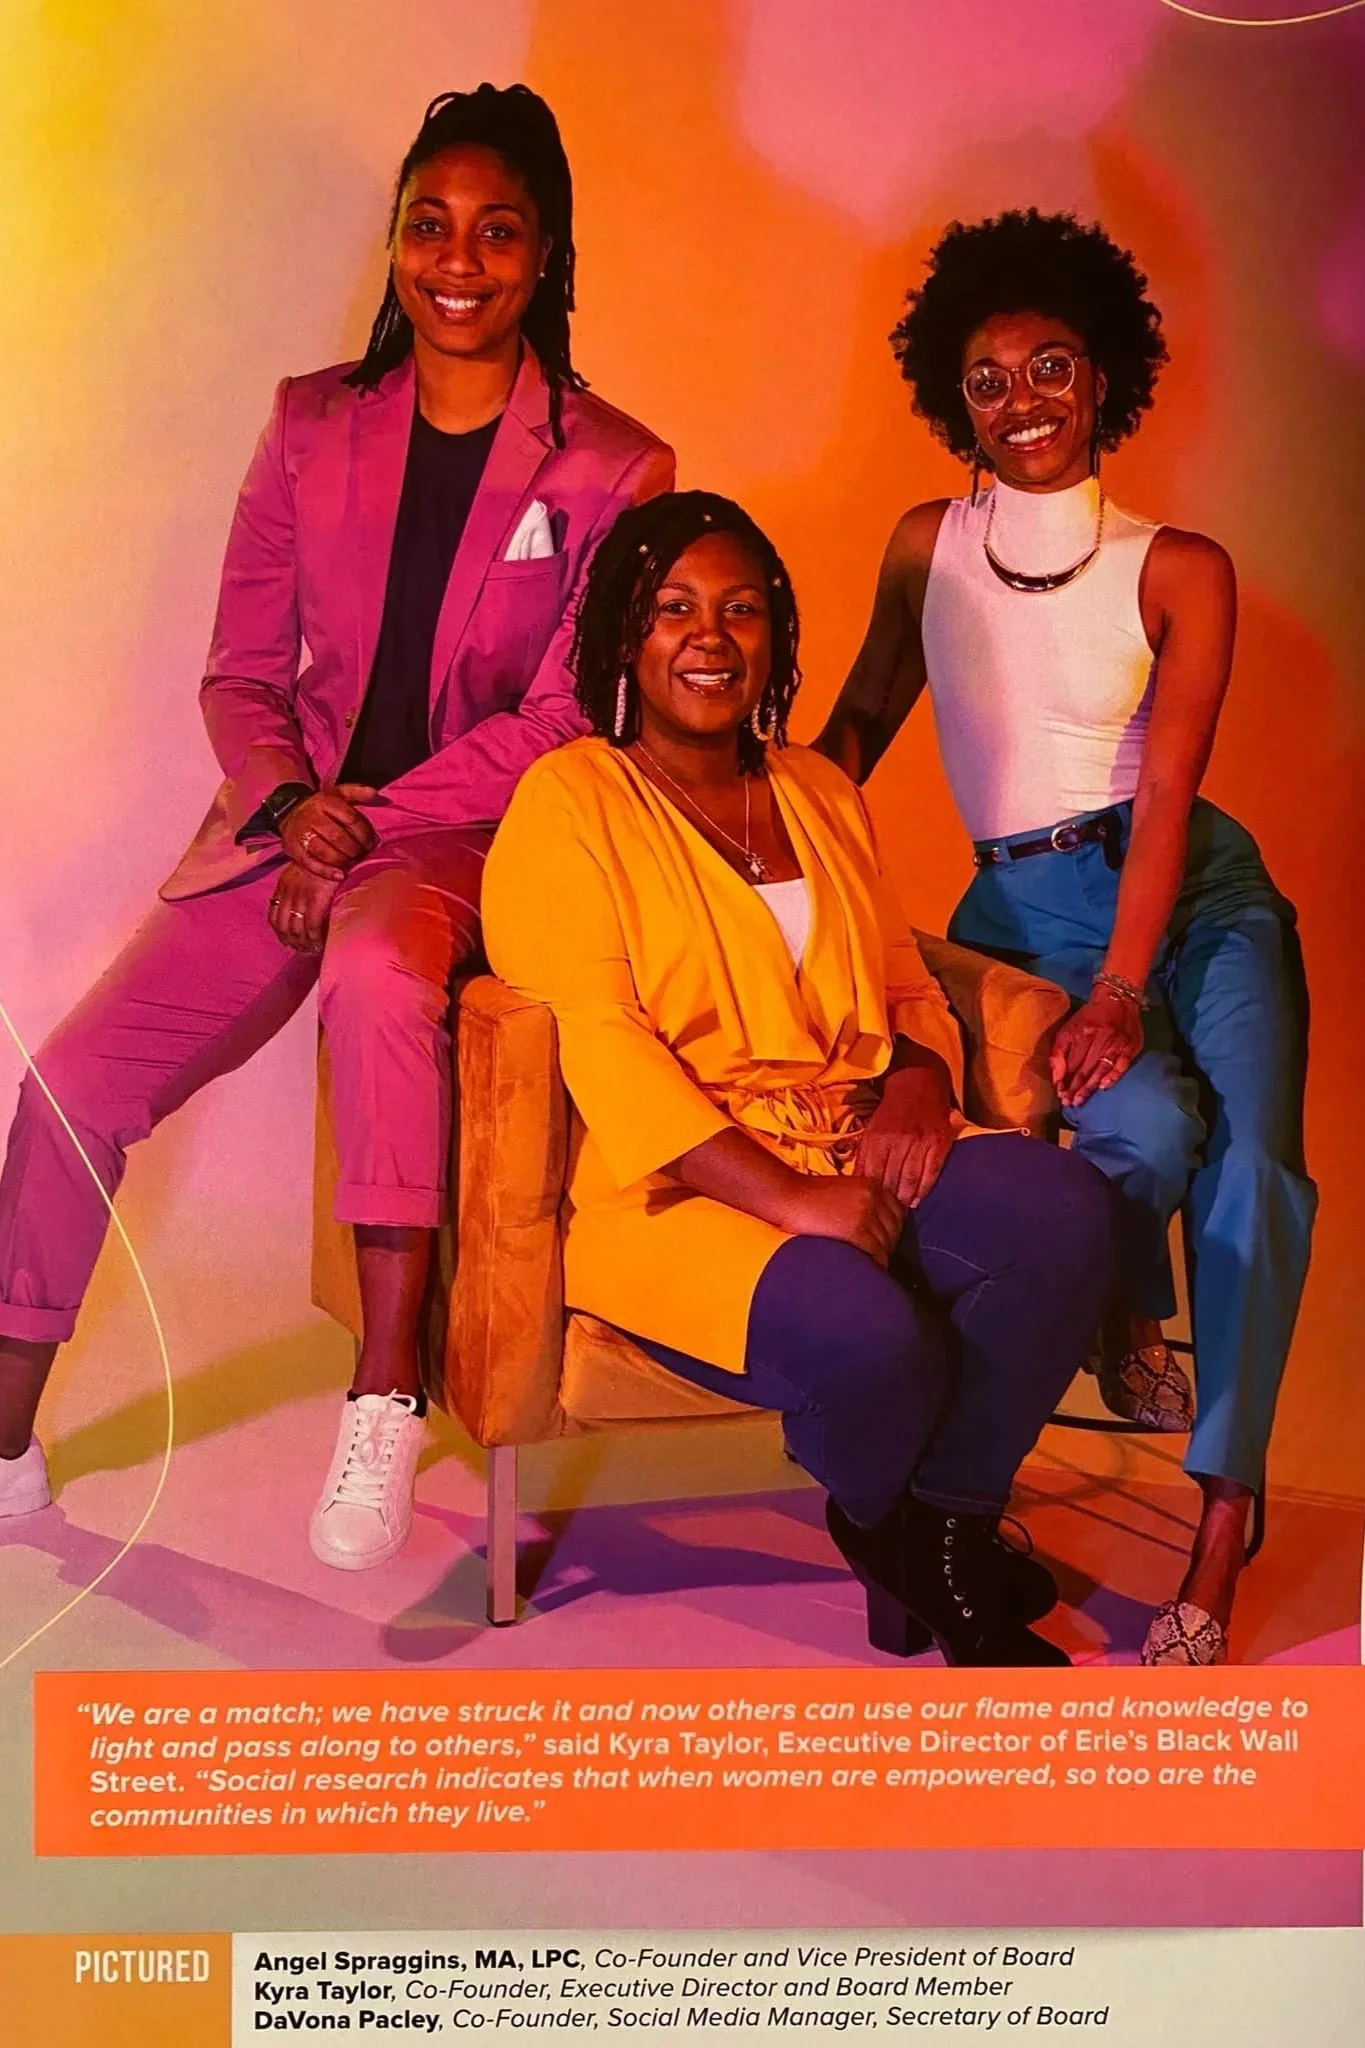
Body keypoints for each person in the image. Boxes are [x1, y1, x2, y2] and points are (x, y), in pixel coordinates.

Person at [0, 84, 673, 1570]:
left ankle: (384, 1388)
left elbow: (564, 720)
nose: (457, 260)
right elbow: (240, 673)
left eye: (497, 231)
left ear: (546, 254)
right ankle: (2, 1440)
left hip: (457, 840)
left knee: (374, 974)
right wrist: (295, 809)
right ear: (394, 243)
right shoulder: (309, 423)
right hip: (284, 824)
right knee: (69, 1086)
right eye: (429, 225)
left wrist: (358, 829)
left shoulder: (615, 467)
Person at [483, 490, 1114, 1668]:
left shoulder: (820, 791)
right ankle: (891, 1524)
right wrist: (791, 1198)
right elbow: (605, 1047)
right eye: (674, 609)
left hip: (852, 1127)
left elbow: (901, 983)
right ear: (624, 635)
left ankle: (938, 1531)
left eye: (741, 609)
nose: (710, 637)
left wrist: (918, 1083)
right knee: (873, 1339)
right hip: (680, 1190)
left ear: (775, 637)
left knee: (1065, 1211)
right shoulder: (570, 802)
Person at [817, 209, 1316, 1665]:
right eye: (988, 379)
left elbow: (1163, 795)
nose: (1022, 400)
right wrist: (717, 837)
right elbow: (850, 736)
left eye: (1050, 367)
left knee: (1253, 1166)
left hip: (1191, 895)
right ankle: (1118, 1319)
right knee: (1139, 1138)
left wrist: (1119, 986)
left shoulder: (1179, 567)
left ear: (1102, 378)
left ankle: (1221, 1523)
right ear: (952, 398)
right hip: (1016, 910)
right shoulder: (928, 547)